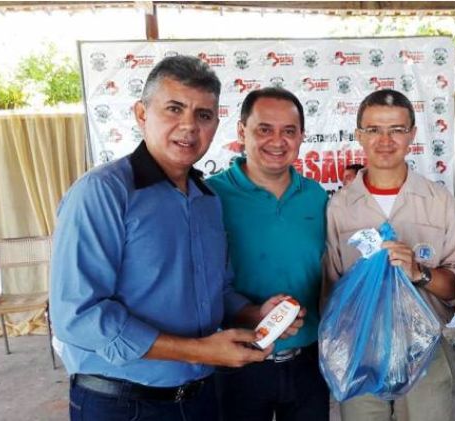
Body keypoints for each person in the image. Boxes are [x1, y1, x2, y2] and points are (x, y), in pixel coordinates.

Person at [50, 56, 302, 421]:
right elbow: (78, 315)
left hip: (198, 399)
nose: (189, 126)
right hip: (121, 403)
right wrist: (198, 350)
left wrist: (255, 314)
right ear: (141, 114)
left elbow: (217, 291)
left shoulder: (206, 199)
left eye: (203, 115)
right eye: (174, 109)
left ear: (215, 125)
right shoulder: (102, 192)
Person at [323, 89, 455, 421]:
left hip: (425, 347)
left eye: (397, 129)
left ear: (412, 135)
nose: (385, 140)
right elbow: (331, 289)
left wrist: (420, 273)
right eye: (374, 129)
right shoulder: (340, 207)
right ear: (359, 135)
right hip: (360, 349)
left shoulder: (438, 201)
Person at [207, 87, 330, 421]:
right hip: (237, 359)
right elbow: (199, 285)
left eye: (288, 131)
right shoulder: (210, 196)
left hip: (308, 362)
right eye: (264, 129)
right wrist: (252, 314)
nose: (277, 141)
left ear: (301, 136)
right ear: (241, 131)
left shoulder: (316, 196)